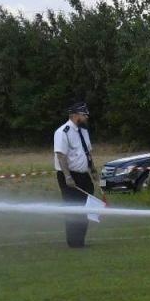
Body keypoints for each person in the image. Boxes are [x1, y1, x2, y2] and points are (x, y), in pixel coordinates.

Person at [53, 101, 97, 248]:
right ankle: (74, 242)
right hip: (70, 176)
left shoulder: (83, 131)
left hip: (84, 175)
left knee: (85, 208)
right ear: (75, 115)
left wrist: (93, 170)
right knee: (73, 208)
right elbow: (61, 156)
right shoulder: (62, 132)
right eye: (84, 115)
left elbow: (88, 152)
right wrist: (68, 176)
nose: (86, 118)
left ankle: (81, 240)